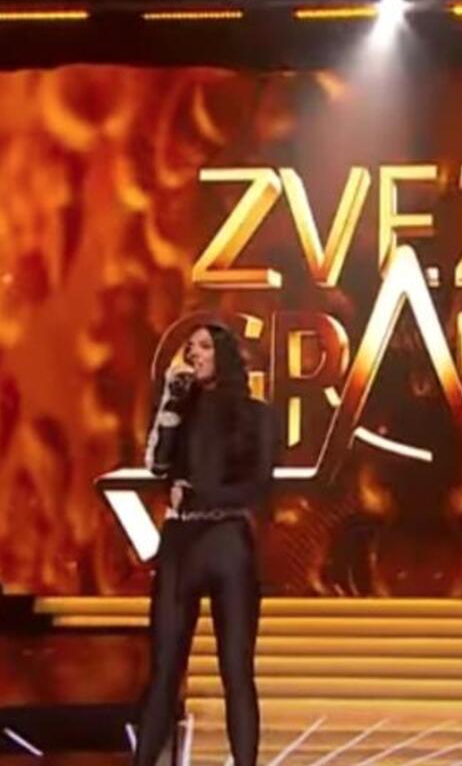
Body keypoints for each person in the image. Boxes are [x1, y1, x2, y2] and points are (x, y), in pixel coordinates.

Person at [132, 323, 275, 766]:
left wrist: (203, 496)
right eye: (189, 346)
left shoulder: (256, 415)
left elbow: (259, 485)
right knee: (164, 672)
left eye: (204, 346)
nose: (194, 354)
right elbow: (157, 464)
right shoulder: (180, 407)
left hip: (228, 541)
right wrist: (171, 398)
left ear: (223, 354)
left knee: (236, 669)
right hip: (181, 543)